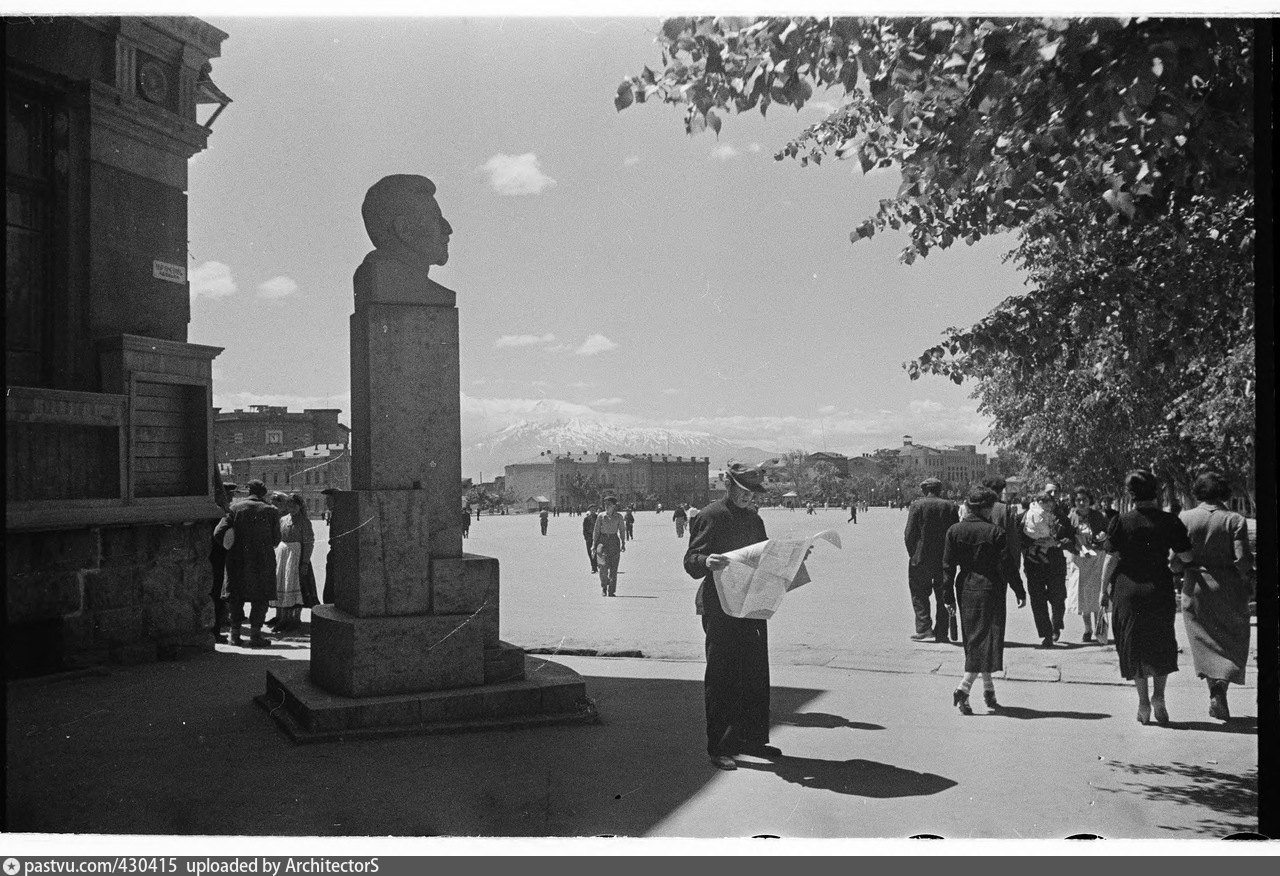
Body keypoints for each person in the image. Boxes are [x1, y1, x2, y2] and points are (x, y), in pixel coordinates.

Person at [683, 462, 776, 771]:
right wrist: (704, 560)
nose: (751, 500)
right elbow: (690, 561)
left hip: (751, 603)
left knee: (753, 671)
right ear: (731, 487)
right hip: (720, 605)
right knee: (722, 675)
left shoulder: (754, 519)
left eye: (755, 495)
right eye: (746, 494)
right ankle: (720, 747)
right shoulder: (710, 515)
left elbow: (764, 557)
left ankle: (750, 739)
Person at [1100, 470, 1194, 725]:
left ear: (1130, 495)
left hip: (1126, 590)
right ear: (1158, 492)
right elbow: (1185, 557)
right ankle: (1159, 698)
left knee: (1133, 644)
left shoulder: (1121, 521)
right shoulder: (1170, 521)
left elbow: (1111, 558)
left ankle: (1142, 703)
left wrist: (1102, 591)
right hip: (1159, 588)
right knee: (1162, 641)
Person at [943, 486, 1027, 714]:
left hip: (965, 587)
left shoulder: (954, 531)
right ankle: (964, 688)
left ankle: (989, 691)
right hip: (991, 587)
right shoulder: (995, 532)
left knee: (975, 638)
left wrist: (947, 595)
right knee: (986, 639)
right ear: (986, 508)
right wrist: (1019, 590)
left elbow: (947, 568)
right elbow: (1008, 566)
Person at [1179, 471, 1254, 721]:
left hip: (1195, 587)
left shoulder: (1186, 518)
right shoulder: (1235, 519)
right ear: (1223, 493)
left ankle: (1215, 689)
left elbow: (1174, 562)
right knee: (1231, 639)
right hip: (1229, 588)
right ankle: (1220, 688)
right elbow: (1243, 561)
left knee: (1205, 642)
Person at [213, 479, 280, 647]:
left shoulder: (234, 509)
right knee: (261, 597)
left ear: (249, 491)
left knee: (236, 597)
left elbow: (218, 532)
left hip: (237, 560)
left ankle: (234, 635)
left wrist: (229, 544)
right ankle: (256, 636)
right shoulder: (271, 511)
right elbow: (276, 539)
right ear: (263, 492)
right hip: (262, 561)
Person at [904, 477, 959, 643]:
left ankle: (924, 627)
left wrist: (913, 553)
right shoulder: (950, 506)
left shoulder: (917, 505)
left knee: (919, 593)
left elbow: (909, 534)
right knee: (943, 594)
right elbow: (954, 532)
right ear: (940, 490)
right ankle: (942, 632)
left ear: (923, 490)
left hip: (920, 558)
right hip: (944, 557)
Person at [1022, 485, 1073, 647]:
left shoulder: (1062, 517)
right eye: (1047, 494)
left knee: (1058, 597)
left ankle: (1056, 624)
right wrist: (1032, 544)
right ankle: (1046, 634)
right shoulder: (1026, 516)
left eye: (1054, 494)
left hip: (1055, 563)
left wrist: (1056, 543)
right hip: (1034, 563)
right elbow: (1018, 539)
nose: (1050, 497)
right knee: (1038, 600)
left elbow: (1071, 538)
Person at [1066, 487, 1109, 643]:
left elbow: (1108, 534)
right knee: (1082, 594)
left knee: (1098, 594)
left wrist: (1102, 537)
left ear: (1090, 500)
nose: (1082, 503)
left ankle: (1101, 632)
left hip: (1097, 558)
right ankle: (1087, 629)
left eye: (1084, 499)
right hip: (1080, 559)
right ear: (1074, 502)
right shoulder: (1071, 517)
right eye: (1078, 500)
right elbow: (1066, 538)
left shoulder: (1099, 516)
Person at [271, 492, 313, 633]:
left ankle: (295, 619)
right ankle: (283, 618)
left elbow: (308, 543)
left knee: (296, 587)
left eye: (295, 505)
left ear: (300, 506)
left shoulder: (304, 522)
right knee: (283, 585)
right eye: (289, 505)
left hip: (297, 557)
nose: (292, 508)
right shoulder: (283, 520)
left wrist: (305, 562)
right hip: (283, 556)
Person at [209, 475, 236, 644]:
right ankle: (215, 630)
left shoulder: (218, 510)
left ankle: (216, 628)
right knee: (218, 593)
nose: (231, 498)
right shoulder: (220, 513)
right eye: (228, 494)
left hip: (215, 556)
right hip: (218, 557)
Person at [593, 497, 626, 596]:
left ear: (614, 506)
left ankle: (611, 591)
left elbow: (622, 530)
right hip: (602, 542)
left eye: (609, 504)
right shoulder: (601, 516)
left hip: (614, 541)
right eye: (605, 504)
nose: (607, 506)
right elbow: (596, 530)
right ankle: (604, 586)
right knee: (602, 565)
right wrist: (594, 545)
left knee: (613, 568)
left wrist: (623, 542)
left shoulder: (619, 517)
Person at [320, 488, 340, 604]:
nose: (326, 502)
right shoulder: (335, 514)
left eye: (329, 499)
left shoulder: (339, 515)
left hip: (337, 554)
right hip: (334, 553)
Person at [582, 505, 599, 574]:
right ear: (589, 510)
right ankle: (593, 567)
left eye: (594, 509)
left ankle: (598, 565)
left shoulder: (599, 518)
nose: (593, 511)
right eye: (591, 509)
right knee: (590, 553)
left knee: (598, 552)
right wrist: (586, 537)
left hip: (597, 538)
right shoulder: (586, 519)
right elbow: (584, 529)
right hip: (589, 538)